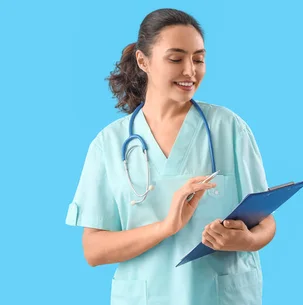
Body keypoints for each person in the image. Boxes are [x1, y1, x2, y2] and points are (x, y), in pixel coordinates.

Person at [65, 8, 276, 305]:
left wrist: (247, 240)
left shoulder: (229, 128)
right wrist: (166, 227)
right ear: (143, 61)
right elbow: (94, 250)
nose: (190, 71)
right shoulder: (109, 144)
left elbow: (265, 222)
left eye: (198, 59)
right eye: (176, 59)